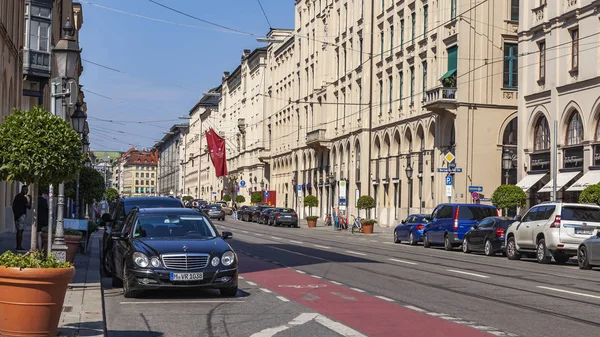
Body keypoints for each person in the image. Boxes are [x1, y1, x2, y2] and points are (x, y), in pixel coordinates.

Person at [12, 185, 31, 251]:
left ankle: (18, 245)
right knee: (20, 231)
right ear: (22, 189)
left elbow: (13, 205)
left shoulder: (17, 196)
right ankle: (19, 246)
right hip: (21, 215)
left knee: (19, 231)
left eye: (27, 189)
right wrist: (30, 199)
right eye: (25, 189)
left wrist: (15, 214)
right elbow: (29, 207)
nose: (27, 191)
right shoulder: (23, 198)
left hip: (17, 216)